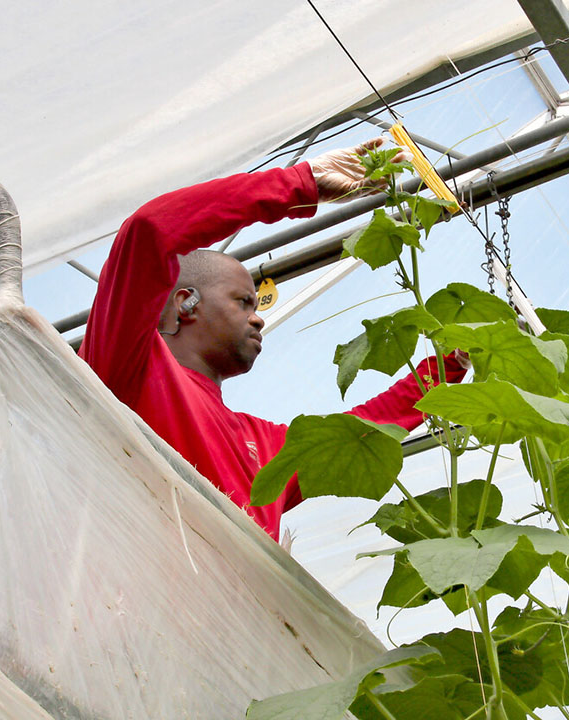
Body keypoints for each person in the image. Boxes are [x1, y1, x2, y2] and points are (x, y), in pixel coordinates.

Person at [79, 139, 465, 542]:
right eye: (243, 302)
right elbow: (150, 230)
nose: (258, 317)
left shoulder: (260, 445)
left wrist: (450, 364)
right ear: (185, 303)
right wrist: (301, 184)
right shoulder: (129, 365)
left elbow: (362, 429)